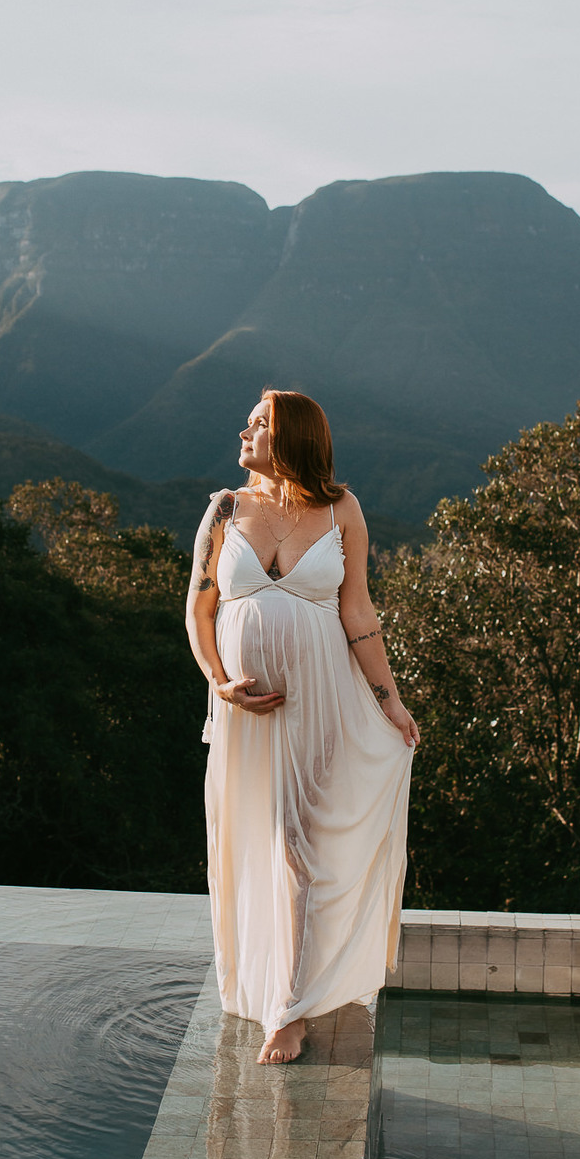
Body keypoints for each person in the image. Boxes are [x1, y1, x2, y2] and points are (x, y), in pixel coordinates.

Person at [186, 388, 419, 1065]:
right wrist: (218, 683)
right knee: (254, 842)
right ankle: (270, 986)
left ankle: (289, 1008)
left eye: (259, 424)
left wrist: (391, 700)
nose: (244, 430)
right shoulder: (225, 509)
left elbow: (357, 613)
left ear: (293, 439)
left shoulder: (341, 510)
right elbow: (199, 613)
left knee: (301, 847)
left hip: (322, 701)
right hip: (246, 712)